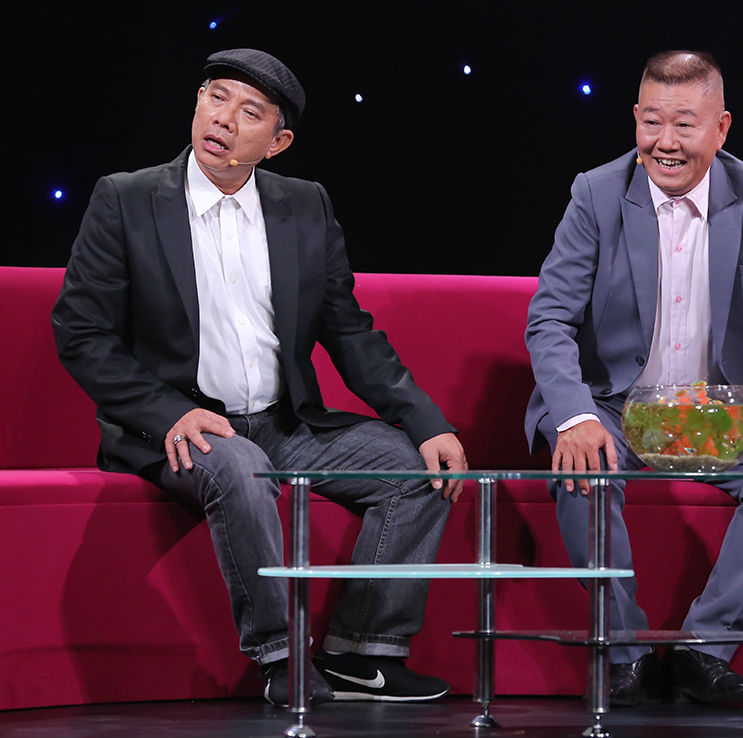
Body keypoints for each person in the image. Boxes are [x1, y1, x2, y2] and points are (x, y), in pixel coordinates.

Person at [51, 48, 468, 706]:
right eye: (216, 97)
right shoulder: (127, 199)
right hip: (178, 426)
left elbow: (348, 330)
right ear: (197, 102)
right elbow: (81, 333)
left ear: (277, 142)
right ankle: (281, 659)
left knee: (414, 470)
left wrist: (424, 420)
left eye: (249, 112)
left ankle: (362, 652)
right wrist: (167, 413)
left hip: (283, 423)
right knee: (241, 468)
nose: (224, 118)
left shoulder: (304, 206)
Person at [524, 50, 743, 706]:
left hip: (724, 410)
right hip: (612, 404)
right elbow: (549, 319)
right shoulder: (596, 193)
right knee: (580, 462)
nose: (664, 142)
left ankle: (703, 650)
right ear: (636, 120)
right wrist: (575, 416)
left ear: (721, 129)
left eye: (685, 125)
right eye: (652, 122)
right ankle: (626, 654)